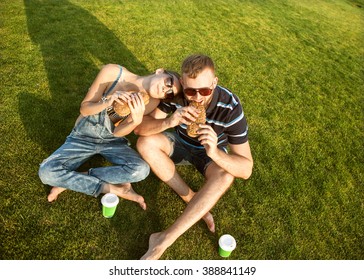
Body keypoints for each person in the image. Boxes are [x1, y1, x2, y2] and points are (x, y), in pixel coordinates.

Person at [135, 54, 253, 259]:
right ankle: (190, 197)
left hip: (208, 155)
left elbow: (246, 169)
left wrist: (214, 151)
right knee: (145, 143)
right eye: (191, 90)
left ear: (214, 83)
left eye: (205, 90)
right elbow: (140, 129)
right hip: (179, 144)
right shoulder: (176, 95)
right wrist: (169, 122)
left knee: (225, 176)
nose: (197, 98)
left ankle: (163, 240)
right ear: (182, 83)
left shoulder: (230, 107)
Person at [38, 64, 182, 209]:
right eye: (169, 82)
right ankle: (114, 189)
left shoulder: (151, 102)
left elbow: (117, 132)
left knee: (141, 169)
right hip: (82, 137)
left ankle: (73, 180)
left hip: (113, 142)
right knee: (46, 172)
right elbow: (85, 109)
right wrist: (107, 101)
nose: (165, 90)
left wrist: (135, 121)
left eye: (169, 94)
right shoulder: (113, 72)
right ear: (160, 71)